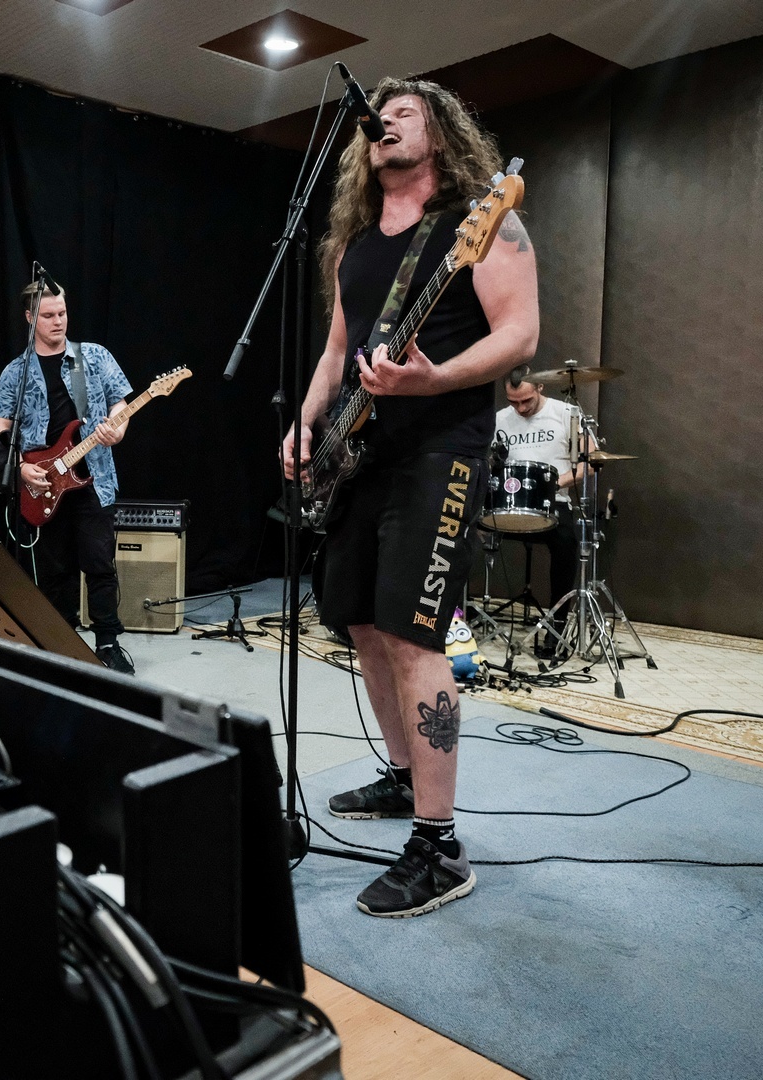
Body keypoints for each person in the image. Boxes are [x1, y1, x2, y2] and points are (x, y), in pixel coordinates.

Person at [281, 78, 538, 917]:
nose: (384, 121)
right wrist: (306, 425)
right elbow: (337, 351)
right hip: (359, 454)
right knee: (359, 621)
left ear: (441, 132)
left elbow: (521, 334)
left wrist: (433, 380)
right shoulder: (355, 243)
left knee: (412, 630)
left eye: (404, 113)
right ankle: (402, 776)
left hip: (440, 448)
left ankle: (440, 845)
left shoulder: (482, 221)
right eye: (378, 116)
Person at [0, 280, 135, 674]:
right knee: (55, 570)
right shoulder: (16, 372)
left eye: (63, 313)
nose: (58, 321)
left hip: (93, 477)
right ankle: (62, 643)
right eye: (49, 315)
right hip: (43, 483)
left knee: (100, 564)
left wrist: (117, 430)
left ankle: (108, 644)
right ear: (30, 317)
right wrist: (21, 469)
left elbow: (120, 404)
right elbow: (0, 432)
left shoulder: (93, 357)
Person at [493, 366, 595, 643]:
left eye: (526, 400)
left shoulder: (566, 414)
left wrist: (556, 483)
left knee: (566, 540)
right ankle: (457, 618)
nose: (521, 408)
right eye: (514, 402)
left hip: (553, 503)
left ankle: (557, 624)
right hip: (510, 504)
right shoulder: (499, 419)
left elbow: (590, 462)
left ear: (540, 387)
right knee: (462, 527)